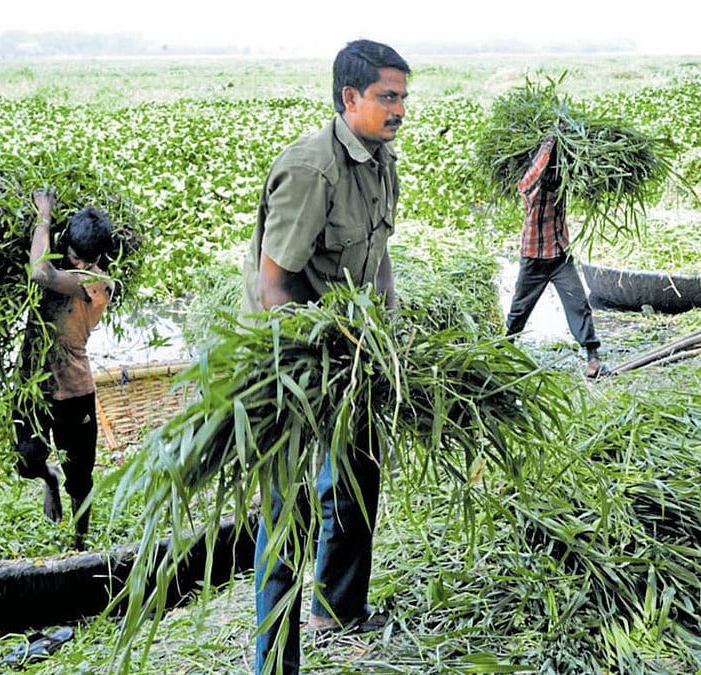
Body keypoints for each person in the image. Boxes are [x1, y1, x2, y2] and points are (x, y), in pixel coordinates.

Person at [238, 39, 409, 675]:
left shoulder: (382, 159)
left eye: (402, 97)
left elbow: (377, 256)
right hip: (292, 359)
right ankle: (273, 664)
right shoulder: (313, 169)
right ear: (350, 98)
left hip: (355, 350)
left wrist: (387, 334)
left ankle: (337, 608)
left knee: (359, 470)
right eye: (387, 97)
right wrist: (308, 359)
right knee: (286, 511)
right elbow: (274, 280)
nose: (398, 110)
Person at [14, 190, 115, 551]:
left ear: (98, 259)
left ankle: (79, 543)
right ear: (66, 244)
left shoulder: (99, 284)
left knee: (81, 476)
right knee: (24, 458)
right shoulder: (59, 253)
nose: (77, 264)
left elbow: (41, 272)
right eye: (72, 255)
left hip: (74, 389)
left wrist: (44, 212)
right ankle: (47, 478)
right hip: (32, 383)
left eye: (83, 260)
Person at [505, 130, 607, 378]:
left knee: (579, 304)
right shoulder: (531, 188)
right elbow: (528, 180)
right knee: (519, 310)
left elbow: (587, 176)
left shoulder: (563, 180)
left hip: (560, 256)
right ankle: (502, 352)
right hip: (534, 258)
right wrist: (549, 142)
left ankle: (593, 359)